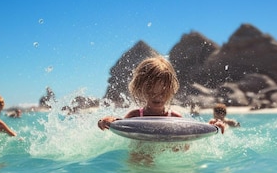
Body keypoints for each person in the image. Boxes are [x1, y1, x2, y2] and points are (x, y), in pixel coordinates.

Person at [97, 56, 227, 132]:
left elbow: (190, 137)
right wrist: (106, 121)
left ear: (171, 90)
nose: (157, 96)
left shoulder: (175, 117)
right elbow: (120, 128)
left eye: (163, 92)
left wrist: (210, 127)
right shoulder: (135, 115)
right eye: (151, 91)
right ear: (141, 89)